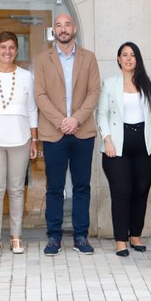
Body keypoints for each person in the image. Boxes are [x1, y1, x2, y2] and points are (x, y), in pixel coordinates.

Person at [35, 13, 100, 256]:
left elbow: (94, 92)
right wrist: (61, 121)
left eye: (67, 25)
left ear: (74, 28)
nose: (63, 29)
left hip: (83, 132)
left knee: (82, 186)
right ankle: (54, 237)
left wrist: (76, 119)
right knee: (55, 187)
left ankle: (81, 236)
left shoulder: (89, 58)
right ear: (54, 30)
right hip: (54, 132)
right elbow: (40, 95)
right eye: (59, 26)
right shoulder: (43, 59)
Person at [97, 42, 151, 257]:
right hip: (117, 146)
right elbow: (102, 114)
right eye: (124, 55)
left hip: (144, 144)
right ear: (118, 59)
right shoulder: (110, 84)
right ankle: (120, 240)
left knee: (141, 191)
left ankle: (135, 235)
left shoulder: (149, 83)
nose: (128, 59)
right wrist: (107, 140)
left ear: (138, 59)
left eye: (132, 55)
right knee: (121, 192)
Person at [0, 31, 38, 258]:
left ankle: (16, 236)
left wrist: (34, 138)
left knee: (17, 189)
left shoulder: (25, 76)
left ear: (17, 50)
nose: (7, 51)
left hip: (21, 137)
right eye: (3, 47)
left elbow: (31, 108)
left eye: (11, 47)